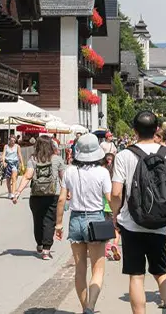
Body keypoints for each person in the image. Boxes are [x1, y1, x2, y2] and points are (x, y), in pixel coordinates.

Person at [110, 111, 166, 314]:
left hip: (132, 223)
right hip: (159, 223)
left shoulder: (123, 156)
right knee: (161, 274)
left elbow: (115, 193)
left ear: (134, 130)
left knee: (136, 276)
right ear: (157, 129)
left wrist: (115, 215)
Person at [55, 133, 112, 314]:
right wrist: (118, 219)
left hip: (75, 219)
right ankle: (91, 307)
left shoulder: (70, 171)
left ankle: (84, 307)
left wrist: (58, 225)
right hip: (95, 219)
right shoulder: (102, 172)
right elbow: (110, 199)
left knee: (80, 269)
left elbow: (62, 199)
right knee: (98, 268)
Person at [15, 136, 66, 259]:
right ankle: (46, 250)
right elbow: (63, 178)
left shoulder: (33, 159)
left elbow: (27, 176)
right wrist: (67, 191)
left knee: (38, 221)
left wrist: (18, 191)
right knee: (49, 221)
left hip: (36, 195)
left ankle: (39, 244)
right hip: (53, 194)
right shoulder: (57, 159)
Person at [102, 152, 121, 261]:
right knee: (116, 228)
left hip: (103, 206)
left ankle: (105, 248)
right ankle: (115, 244)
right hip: (114, 205)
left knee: (105, 227)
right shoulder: (116, 174)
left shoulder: (103, 174)